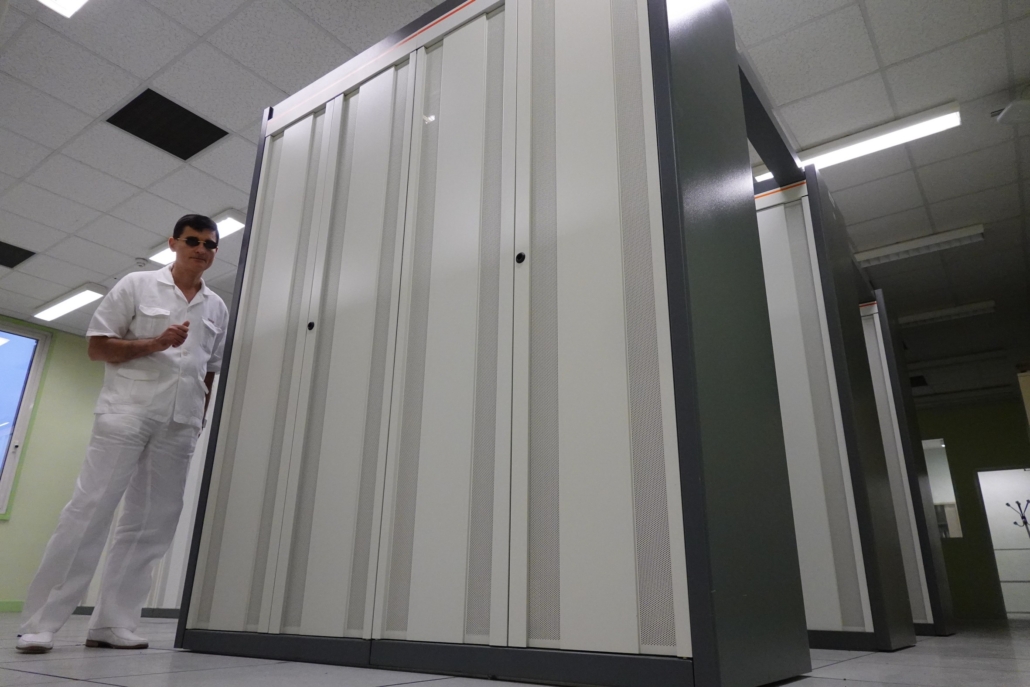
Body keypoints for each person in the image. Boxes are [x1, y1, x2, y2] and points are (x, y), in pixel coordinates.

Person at [16, 214, 229, 653]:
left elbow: (209, 369)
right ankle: (41, 622)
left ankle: (113, 623)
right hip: (127, 413)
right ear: (173, 243)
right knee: (89, 510)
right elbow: (97, 348)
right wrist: (155, 343)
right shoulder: (137, 285)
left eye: (210, 244)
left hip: (181, 423)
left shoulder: (217, 307)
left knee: (153, 522)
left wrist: (200, 417)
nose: (201, 250)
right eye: (193, 240)